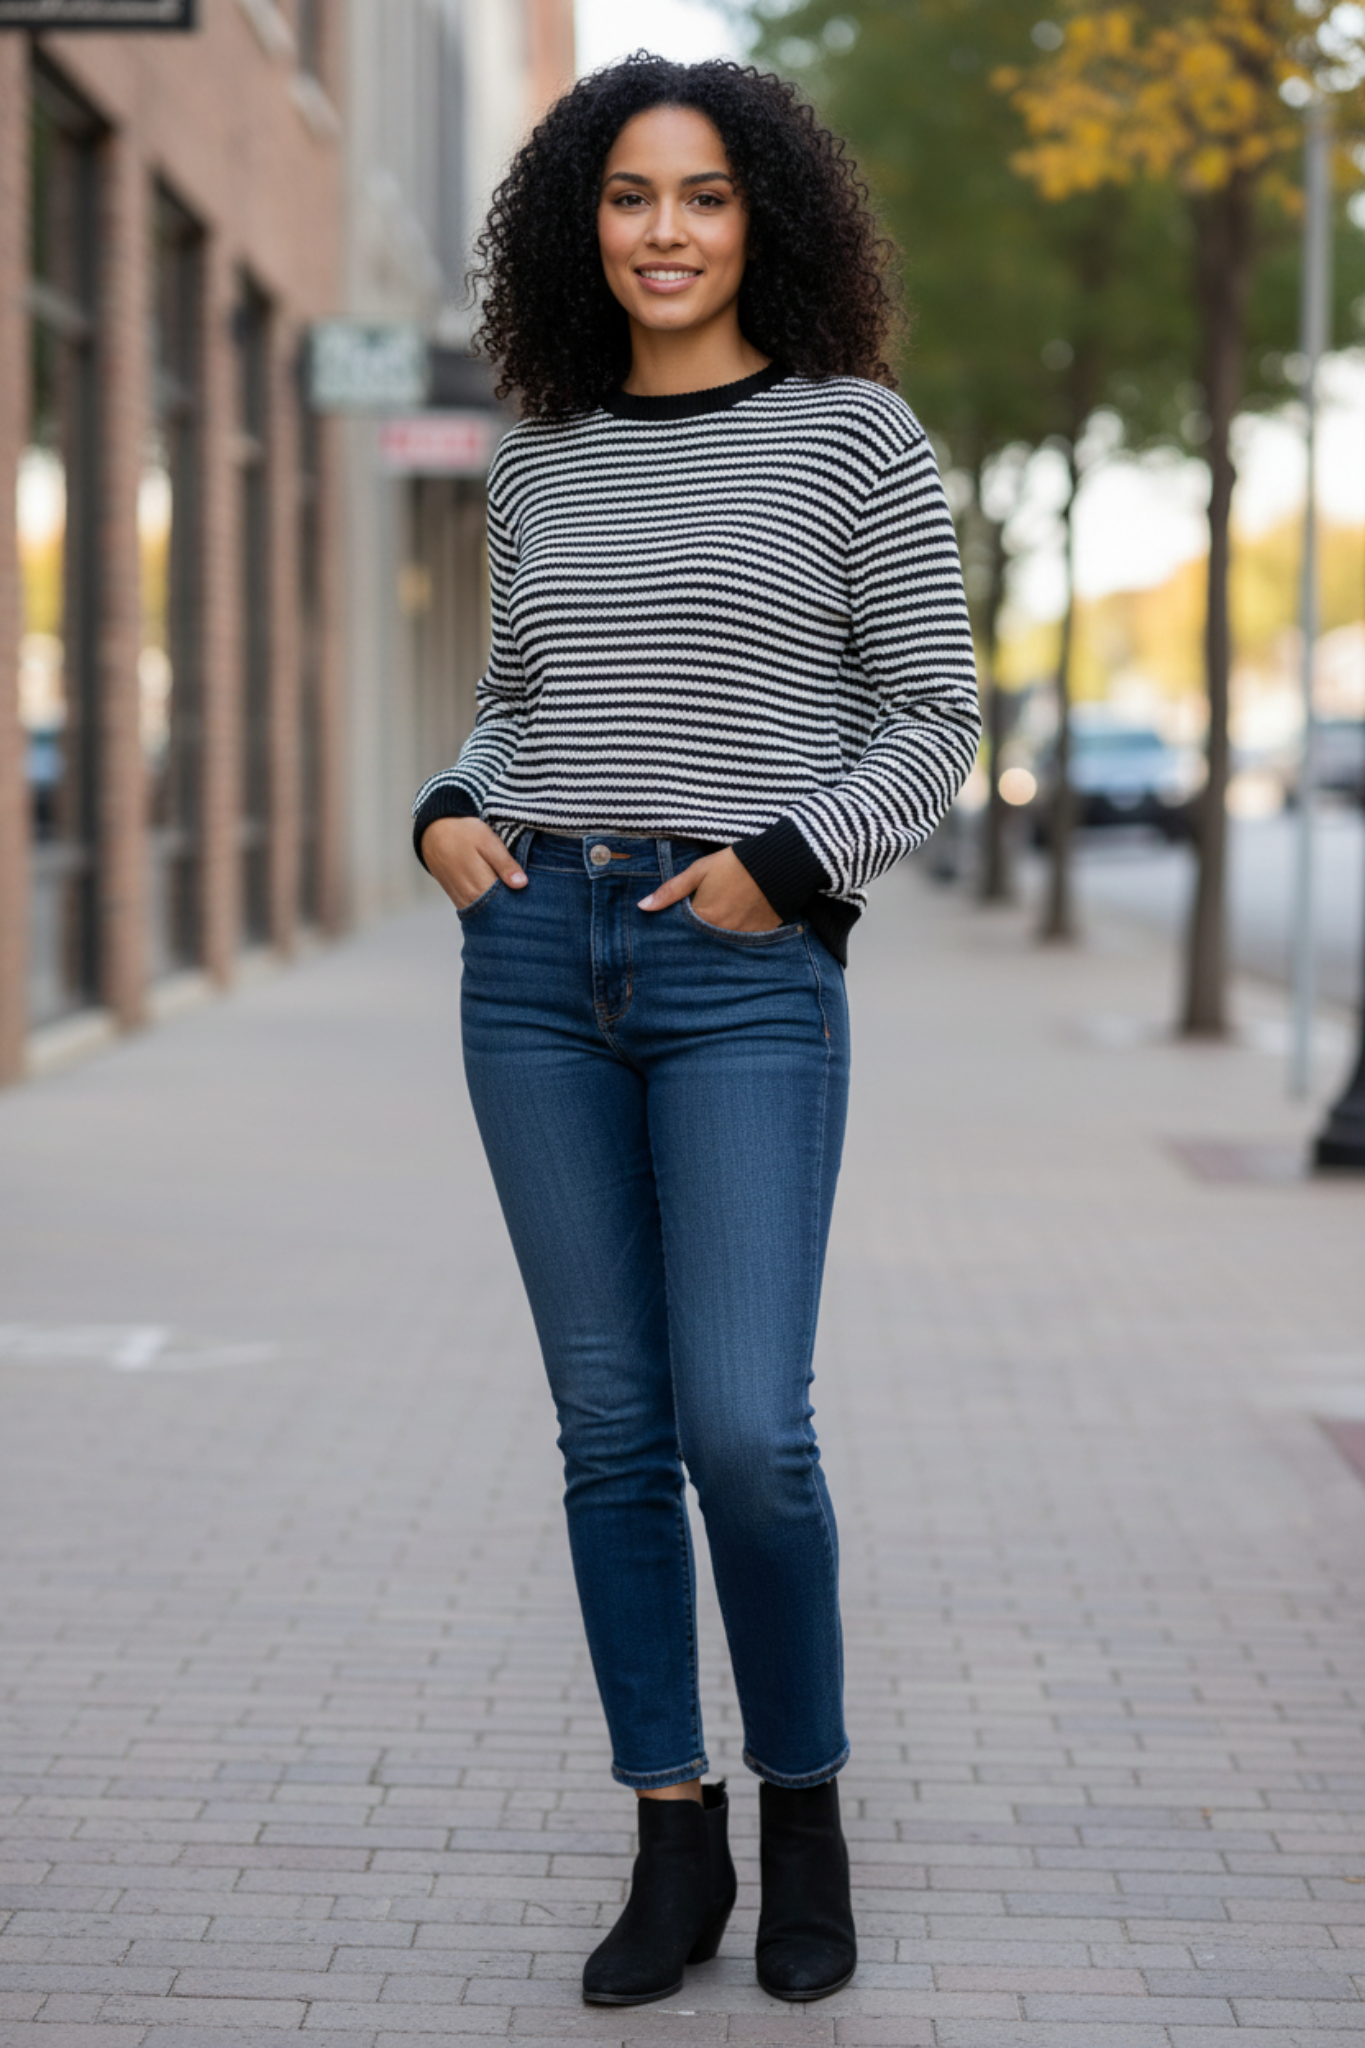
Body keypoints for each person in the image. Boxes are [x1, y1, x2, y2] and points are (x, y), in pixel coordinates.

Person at [412, 54, 980, 2009]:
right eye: (632, 195)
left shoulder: (853, 438)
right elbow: (517, 698)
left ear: (766, 221)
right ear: (581, 222)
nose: (666, 231)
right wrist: (449, 802)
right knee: (610, 1432)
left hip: (742, 967)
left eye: (707, 195)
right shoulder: (541, 457)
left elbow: (934, 718)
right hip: (532, 966)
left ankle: (804, 1806)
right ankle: (673, 1833)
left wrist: (786, 866)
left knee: (745, 1428)